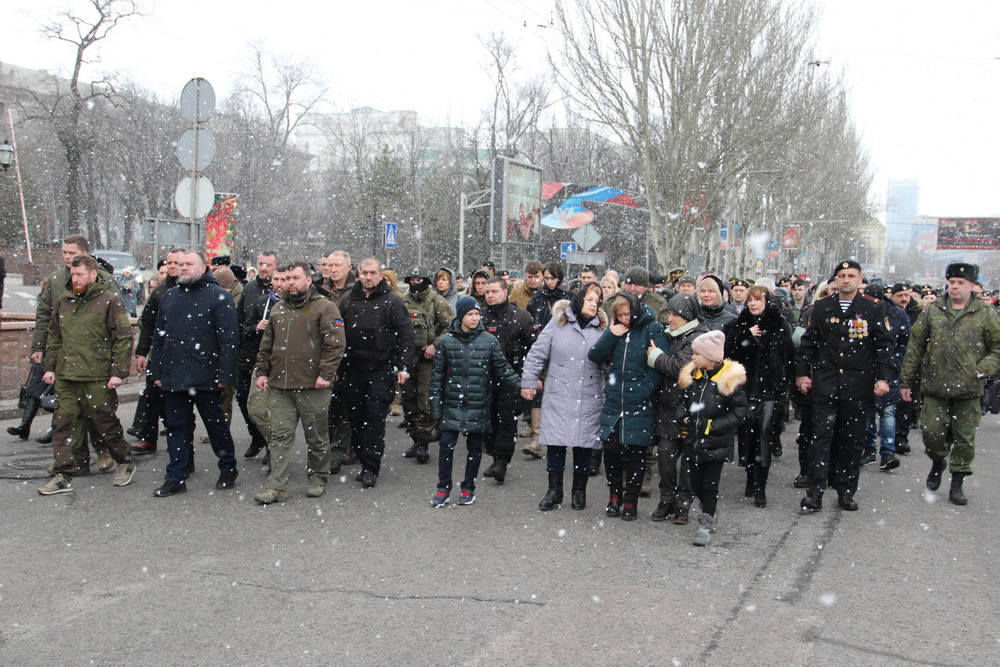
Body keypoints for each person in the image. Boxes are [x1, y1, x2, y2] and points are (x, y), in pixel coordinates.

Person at [795, 260, 893, 512]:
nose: (846, 280)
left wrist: (883, 378)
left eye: (851, 276)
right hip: (826, 384)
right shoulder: (822, 307)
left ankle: (846, 491)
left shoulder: (873, 308)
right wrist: (802, 374)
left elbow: (884, 346)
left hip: (857, 385)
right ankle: (814, 493)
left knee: (851, 441)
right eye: (841, 276)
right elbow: (808, 344)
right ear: (835, 281)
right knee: (820, 439)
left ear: (860, 280)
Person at [900, 263, 1000, 505]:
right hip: (935, 387)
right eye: (952, 282)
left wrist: (981, 369)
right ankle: (937, 461)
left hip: (968, 389)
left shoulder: (985, 313)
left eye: (960, 282)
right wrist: (906, 381)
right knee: (932, 434)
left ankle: (958, 481)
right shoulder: (933, 310)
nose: (954, 286)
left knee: (965, 439)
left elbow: (997, 348)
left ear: (972, 286)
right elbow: (915, 347)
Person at [37, 255, 137, 495]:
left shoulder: (109, 300)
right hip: (67, 375)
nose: (75, 279)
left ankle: (124, 460)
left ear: (93, 273)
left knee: (104, 422)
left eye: (80, 274)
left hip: (97, 375)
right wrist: (49, 367)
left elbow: (123, 337)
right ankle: (66, 471)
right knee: (64, 424)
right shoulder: (64, 300)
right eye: (73, 275)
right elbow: (54, 336)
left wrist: (118, 372)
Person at [253, 261, 346, 504]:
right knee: (280, 437)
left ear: (308, 280)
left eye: (295, 278)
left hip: (313, 386)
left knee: (316, 436)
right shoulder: (278, 309)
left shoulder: (325, 307)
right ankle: (276, 486)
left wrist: (325, 374)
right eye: (286, 279)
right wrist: (262, 371)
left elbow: (335, 344)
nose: (290, 283)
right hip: (280, 386)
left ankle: (318, 477)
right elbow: (267, 345)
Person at [149, 250, 240, 497]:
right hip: (173, 375)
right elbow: (159, 337)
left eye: (189, 264)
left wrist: (225, 376)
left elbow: (229, 340)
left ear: (203, 268)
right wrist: (156, 369)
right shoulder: (169, 297)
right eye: (179, 264)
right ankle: (176, 477)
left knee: (216, 426)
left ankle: (228, 467)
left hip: (207, 376)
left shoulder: (219, 297)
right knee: (177, 428)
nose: (183, 267)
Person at [31, 234, 120, 466]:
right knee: (68, 416)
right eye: (64, 253)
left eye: (72, 253)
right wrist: (39, 347)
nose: (67, 258)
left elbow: (117, 327)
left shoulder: (104, 280)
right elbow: (46, 317)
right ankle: (73, 462)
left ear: (85, 254)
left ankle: (105, 451)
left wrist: (115, 366)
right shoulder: (57, 280)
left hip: (95, 360)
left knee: (97, 413)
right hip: (67, 359)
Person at [521, 284, 606, 510]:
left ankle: (579, 491)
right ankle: (554, 490)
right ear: (579, 300)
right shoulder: (558, 324)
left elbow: (610, 362)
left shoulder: (603, 330)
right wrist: (529, 380)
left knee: (584, 444)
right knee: (556, 442)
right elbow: (537, 353)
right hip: (559, 391)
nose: (593, 304)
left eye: (597, 301)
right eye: (589, 298)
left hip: (590, 392)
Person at [428, 296, 519, 506]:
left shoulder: (489, 341)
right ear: (460, 316)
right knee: (446, 447)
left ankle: (468, 487)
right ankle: (443, 488)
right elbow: (437, 378)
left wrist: (521, 385)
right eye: (470, 314)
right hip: (452, 404)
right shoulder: (447, 342)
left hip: (478, 404)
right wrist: (435, 407)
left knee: (475, 449)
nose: (475, 318)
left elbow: (503, 369)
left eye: (477, 314)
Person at [588, 292, 668, 520]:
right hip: (615, 400)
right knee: (611, 450)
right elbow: (595, 355)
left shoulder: (652, 329)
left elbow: (658, 365)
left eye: (627, 314)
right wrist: (610, 335)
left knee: (635, 453)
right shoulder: (616, 331)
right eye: (620, 315)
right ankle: (614, 495)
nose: (624, 319)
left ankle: (630, 500)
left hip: (639, 402)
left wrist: (642, 391)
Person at [336, 257, 414, 488]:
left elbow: (405, 336)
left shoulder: (393, 302)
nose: (368, 277)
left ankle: (371, 466)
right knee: (356, 419)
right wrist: (336, 368)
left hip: (380, 369)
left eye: (372, 273)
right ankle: (362, 458)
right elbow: (337, 336)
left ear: (381, 274)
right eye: (364, 273)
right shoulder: (348, 301)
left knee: (374, 419)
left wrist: (404, 366)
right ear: (358, 274)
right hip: (353, 370)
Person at [723, 285, 794, 508]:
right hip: (745, 389)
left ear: (766, 302)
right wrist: (746, 336)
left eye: (758, 300)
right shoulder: (738, 325)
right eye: (750, 300)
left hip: (770, 390)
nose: (753, 304)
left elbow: (788, 357)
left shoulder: (779, 325)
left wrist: (785, 386)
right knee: (748, 434)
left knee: (764, 433)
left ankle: (761, 484)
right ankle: (750, 475)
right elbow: (728, 355)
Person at [676, 330, 748, 545]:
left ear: (711, 357)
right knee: (694, 484)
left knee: (710, 484)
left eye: (697, 354)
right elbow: (681, 403)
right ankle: (709, 509)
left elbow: (740, 410)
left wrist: (714, 426)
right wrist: (684, 418)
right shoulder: (693, 377)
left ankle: (706, 523)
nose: (693, 358)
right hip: (693, 440)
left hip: (716, 443)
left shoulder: (728, 380)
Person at [646, 293, 707, 524]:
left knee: (689, 461)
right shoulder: (669, 335)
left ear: (687, 316)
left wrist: (656, 357)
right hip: (667, 407)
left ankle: (683, 504)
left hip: (688, 410)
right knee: (666, 459)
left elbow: (680, 367)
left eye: (675, 315)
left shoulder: (698, 338)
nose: (670, 319)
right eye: (669, 314)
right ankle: (666, 499)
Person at [480, 276, 538, 483]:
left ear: (505, 292)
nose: (490, 295)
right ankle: (495, 456)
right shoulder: (481, 316)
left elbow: (535, 348)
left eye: (494, 291)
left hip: (511, 378)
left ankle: (501, 462)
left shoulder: (521, 317)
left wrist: (530, 377)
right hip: (485, 379)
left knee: (506, 421)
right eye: (487, 292)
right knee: (490, 423)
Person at [131, 248, 183, 455]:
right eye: (169, 263)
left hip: (182, 357)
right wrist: (142, 352)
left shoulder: (192, 290)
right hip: (159, 354)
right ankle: (149, 438)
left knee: (179, 406)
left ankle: (180, 446)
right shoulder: (159, 292)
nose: (171, 266)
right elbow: (148, 324)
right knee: (152, 397)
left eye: (176, 263)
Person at [399, 266, 454, 464]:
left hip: (427, 360)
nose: (415, 283)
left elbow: (451, 327)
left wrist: (434, 345)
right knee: (408, 400)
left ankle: (423, 440)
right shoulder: (402, 302)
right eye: (412, 280)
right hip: (406, 358)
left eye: (418, 279)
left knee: (425, 400)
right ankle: (416, 438)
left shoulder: (437, 301)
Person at [860, 284, 909, 471]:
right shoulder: (862, 313)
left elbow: (904, 341)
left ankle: (888, 452)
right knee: (869, 413)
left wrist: (895, 361)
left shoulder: (896, 315)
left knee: (888, 412)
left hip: (889, 370)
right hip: (867, 369)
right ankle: (869, 449)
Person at [235, 251, 278, 461]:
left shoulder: (281, 291)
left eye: (268, 265)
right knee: (243, 399)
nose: (263, 268)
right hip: (248, 355)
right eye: (261, 264)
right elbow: (241, 321)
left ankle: (273, 445)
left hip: (272, 359)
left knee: (267, 406)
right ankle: (257, 436)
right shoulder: (249, 289)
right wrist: (253, 329)